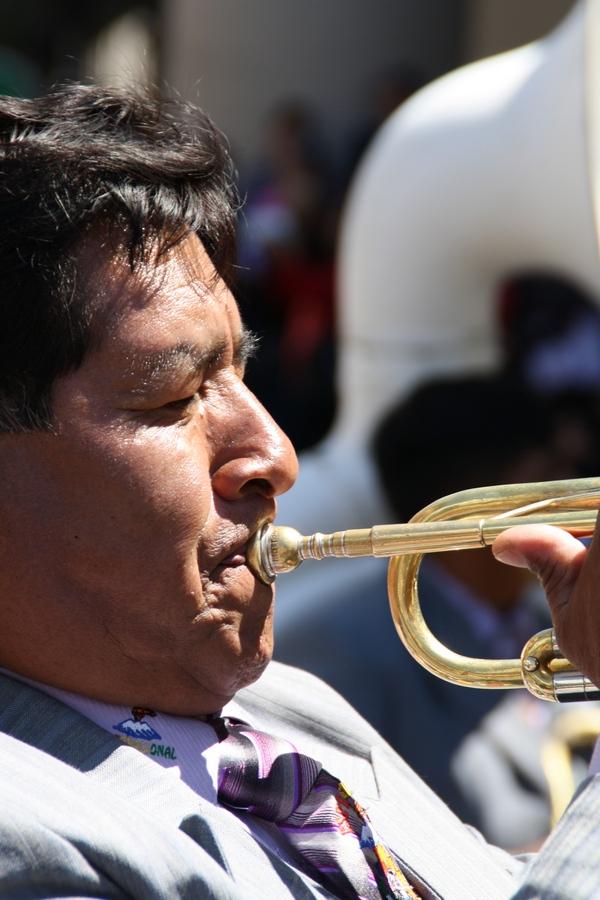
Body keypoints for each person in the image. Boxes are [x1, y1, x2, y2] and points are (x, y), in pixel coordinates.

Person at [0, 82, 591, 900]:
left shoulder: (289, 710)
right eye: (172, 399)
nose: (276, 455)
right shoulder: (24, 841)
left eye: (239, 375)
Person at [276, 375, 597, 849]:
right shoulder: (340, 647)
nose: (579, 504)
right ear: (483, 495)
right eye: (554, 472)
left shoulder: (540, 618)